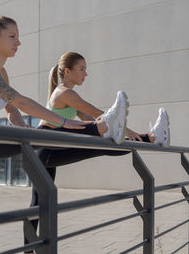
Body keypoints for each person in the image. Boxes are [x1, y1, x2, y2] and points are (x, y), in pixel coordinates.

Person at [0, 16, 127, 254]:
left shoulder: (1, 73)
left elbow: (12, 110)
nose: (18, 42)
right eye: (12, 36)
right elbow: (20, 101)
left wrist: (24, 129)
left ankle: (109, 134)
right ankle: (100, 128)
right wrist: (61, 121)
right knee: (45, 137)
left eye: (18, 37)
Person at [24, 52, 170, 252]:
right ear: (68, 71)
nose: (86, 74)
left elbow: (93, 119)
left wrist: (129, 132)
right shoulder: (64, 92)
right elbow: (95, 113)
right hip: (45, 149)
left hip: (47, 150)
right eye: (82, 69)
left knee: (39, 201)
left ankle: (153, 137)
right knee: (100, 144)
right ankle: (152, 137)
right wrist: (117, 127)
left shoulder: (68, 94)